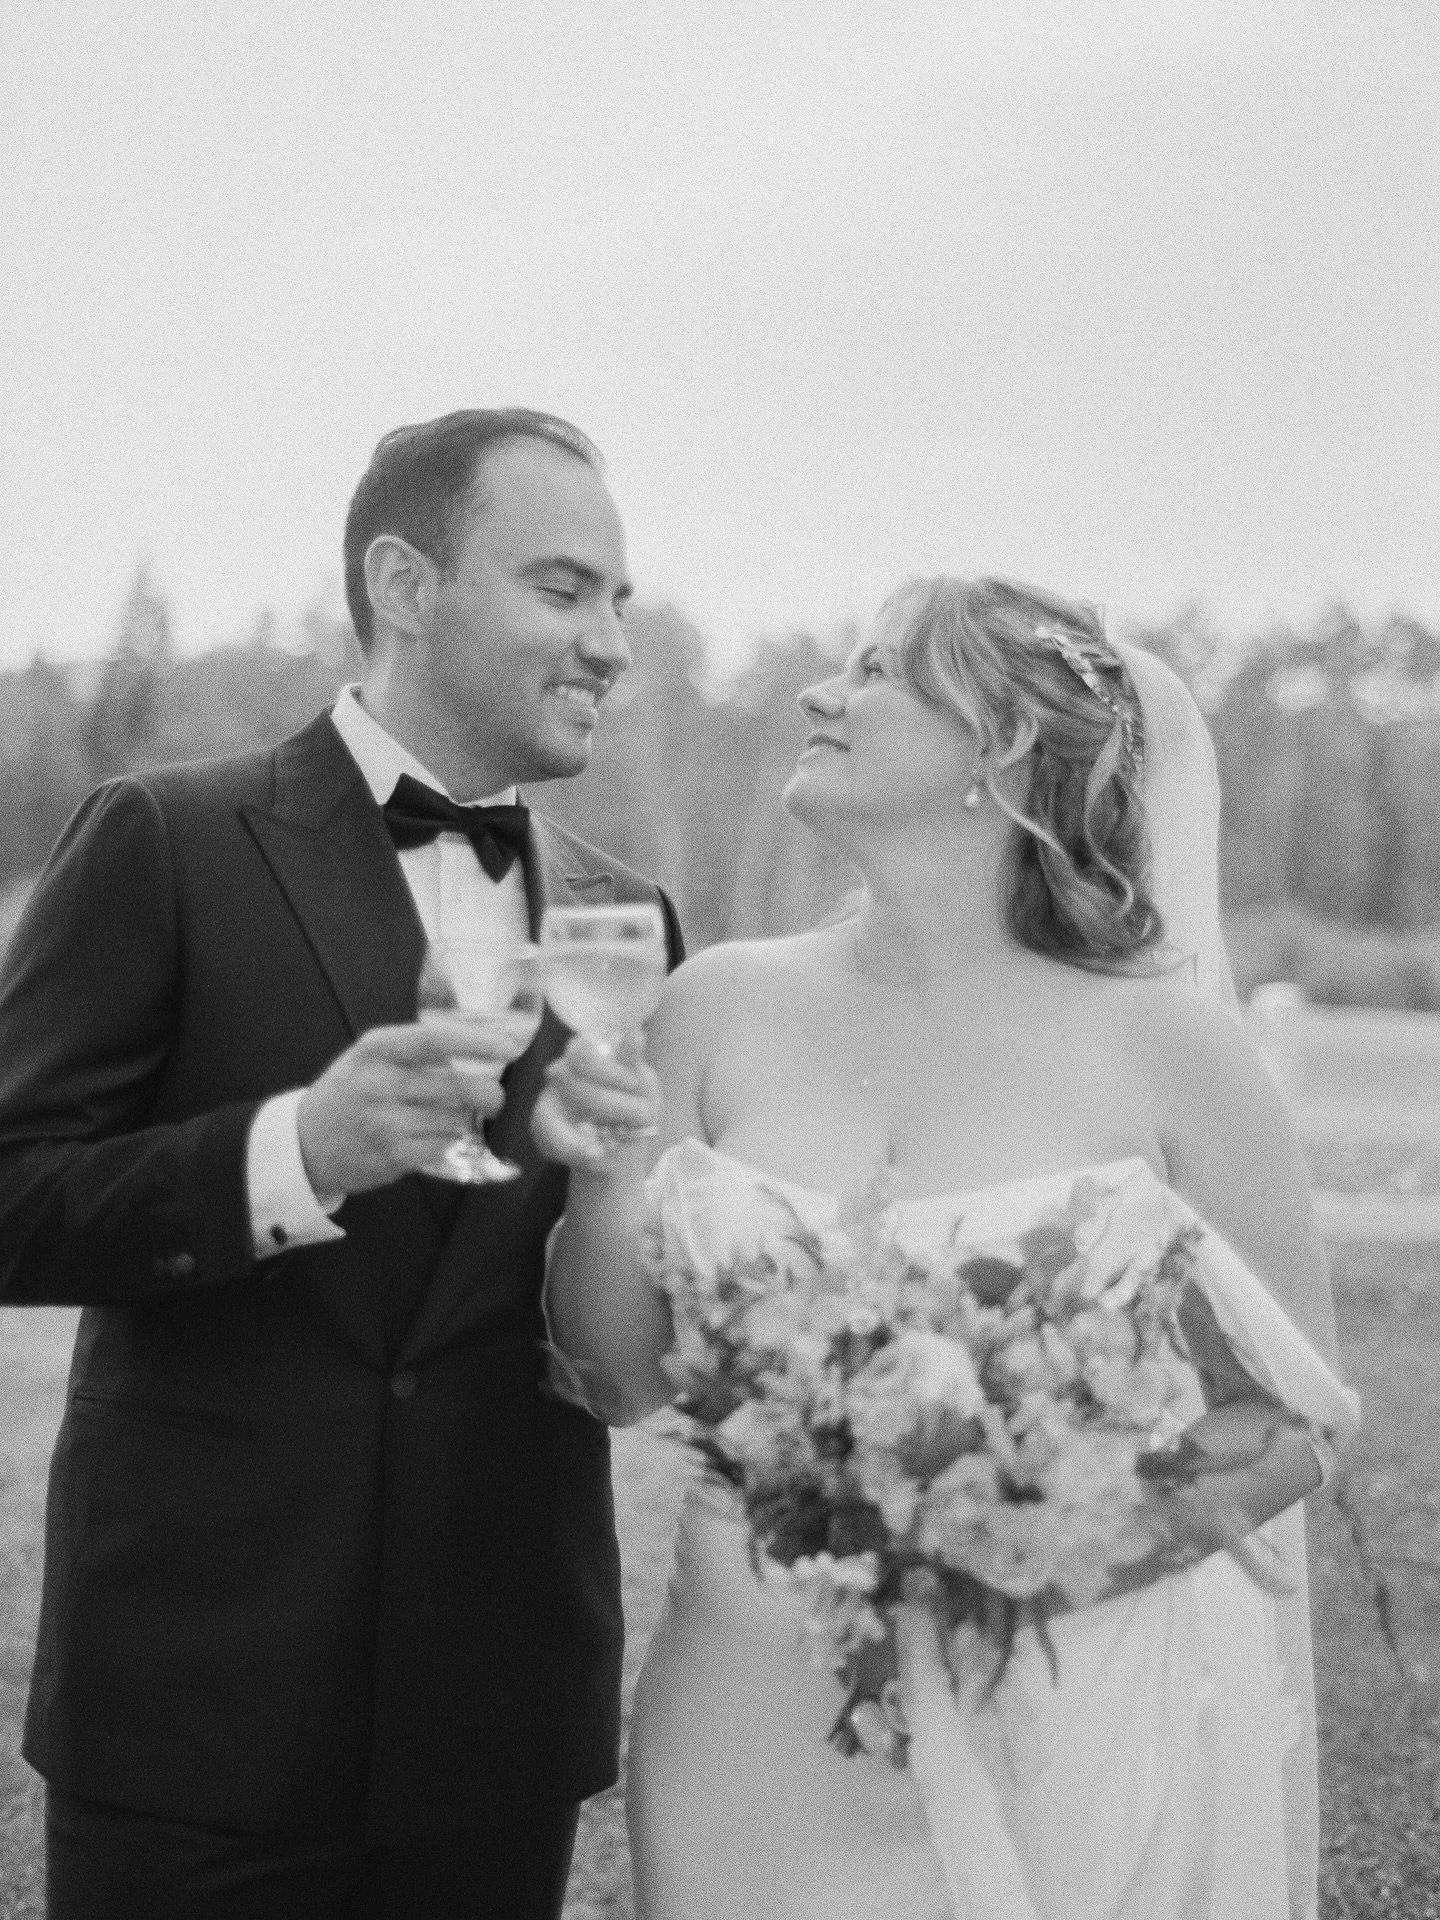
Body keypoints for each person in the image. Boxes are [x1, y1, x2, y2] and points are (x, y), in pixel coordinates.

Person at [532, 574, 1358, 1920]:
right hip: (743, 1722)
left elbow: (1297, 1416)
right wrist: (597, 1175)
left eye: (874, 671)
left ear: (1000, 749)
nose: (818, 691)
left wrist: (1026, 1555)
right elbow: (622, 1379)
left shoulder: (1176, 1048)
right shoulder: (713, 1004)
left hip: (1051, 1710)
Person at [0, 408, 682, 1918]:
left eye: (620, 601)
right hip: (197, 1705)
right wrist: (289, 1153)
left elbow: (614, 1328)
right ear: (405, 583)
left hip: (496, 1713)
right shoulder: (166, 839)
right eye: (565, 590)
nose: (612, 644)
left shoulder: (627, 922)